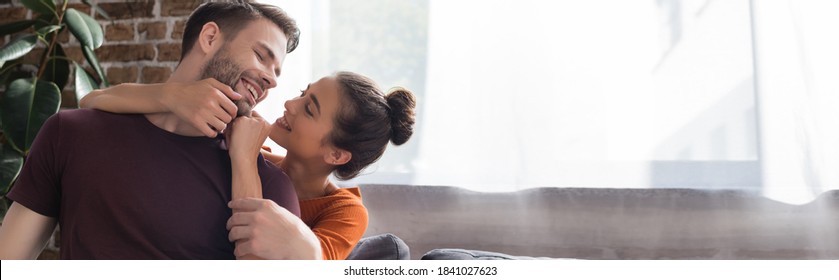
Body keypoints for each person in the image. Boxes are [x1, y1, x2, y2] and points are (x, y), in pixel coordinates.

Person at [0, 2, 320, 259]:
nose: (272, 79)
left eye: (277, 71)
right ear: (209, 38)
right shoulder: (72, 133)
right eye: (261, 56)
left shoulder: (270, 187)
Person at [79, 71, 417, 260]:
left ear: (336, 155)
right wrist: (171, 95)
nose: (289, 102)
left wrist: (242, 158)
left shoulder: (345, 212)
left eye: (309, 108)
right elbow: (92, 100)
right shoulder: (254, 149)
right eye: (302, 92)